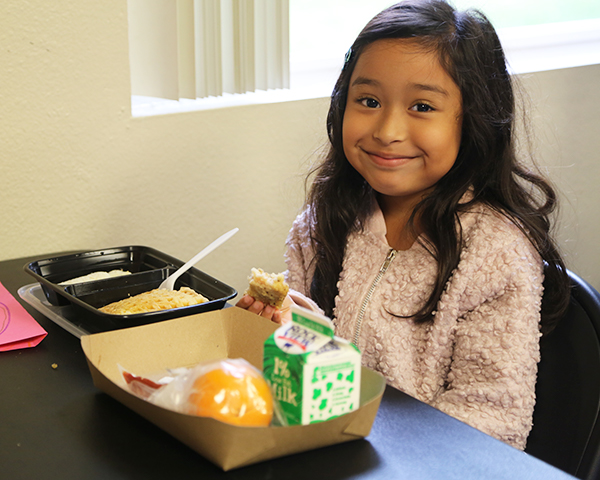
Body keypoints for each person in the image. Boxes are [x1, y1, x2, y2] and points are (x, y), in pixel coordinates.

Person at [237, 0, 570, 450]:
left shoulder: (496, 253)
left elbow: (492, 423)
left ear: (473, 119)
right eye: (369, 101)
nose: (388, 129)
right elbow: (312, 376)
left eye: (422, 106)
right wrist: (284, 334)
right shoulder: (322, 220)